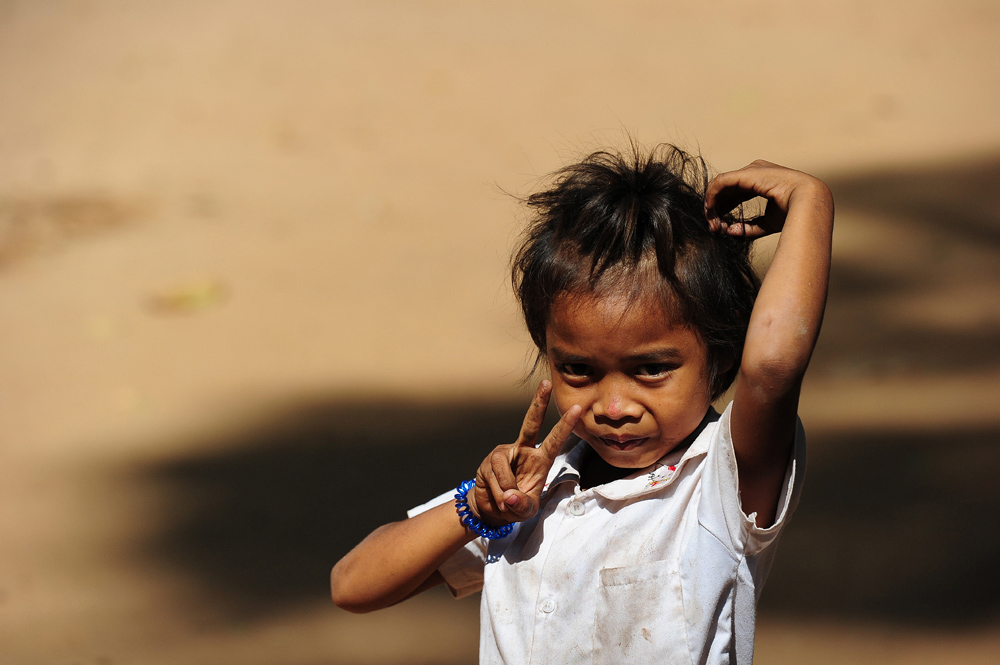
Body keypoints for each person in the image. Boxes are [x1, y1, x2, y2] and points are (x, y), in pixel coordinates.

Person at [330, 144, 834, 664]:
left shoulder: (721, 484)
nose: (614, 406)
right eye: (579, 370)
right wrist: (476, 510)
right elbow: (353, 586)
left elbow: (773, 367)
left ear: (721, 358)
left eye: (651, 369)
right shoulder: (530, 494)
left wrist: (810, 200)